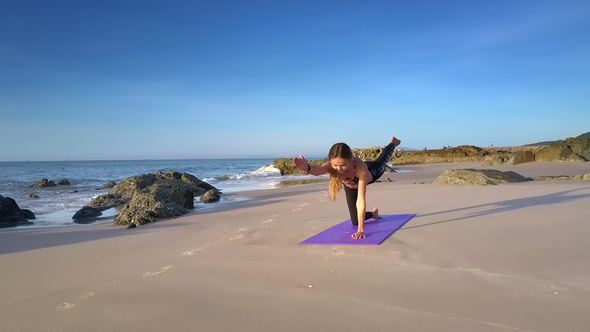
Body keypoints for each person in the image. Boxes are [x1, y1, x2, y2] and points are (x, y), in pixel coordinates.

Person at [293, 136, 401, 240]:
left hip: (373, 171)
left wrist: (361, 229)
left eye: (343, 165)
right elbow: (318, 170)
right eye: (335, 165)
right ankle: (373, 214)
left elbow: (361, 200)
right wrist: (307, 167)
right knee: (355, 221)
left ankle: (393, 143)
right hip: (350, 185)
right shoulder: (331, 165)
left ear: (351, 160)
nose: (339, 169)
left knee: (382, 160)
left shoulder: (360, 168)